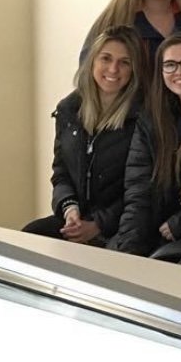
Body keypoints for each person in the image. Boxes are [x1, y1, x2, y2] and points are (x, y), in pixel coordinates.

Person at [24, 26, 147, 244]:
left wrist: (99, 225)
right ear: (92, 62)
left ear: (134, 70)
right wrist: (69, 208)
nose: (113, 69)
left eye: (124, 62)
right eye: (106, 58)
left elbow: (142, 190)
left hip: (120, 226)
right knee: (29, 237)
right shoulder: (68, 109)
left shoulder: (142, 117)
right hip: (76, 219)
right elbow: (61, 172)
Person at [108, 32, 181, 258]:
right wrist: (129, 249)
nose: (179, 71)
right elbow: (139, 192)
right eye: (170, 65)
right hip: (157, 227)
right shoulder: (152, 120)